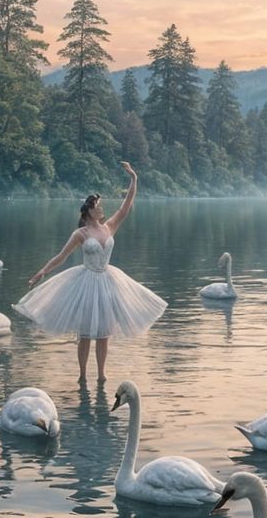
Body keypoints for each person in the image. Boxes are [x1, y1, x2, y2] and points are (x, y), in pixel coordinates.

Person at [17, 162, 165, 382]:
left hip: (108, 281)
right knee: (86, 334)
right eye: (98, 205)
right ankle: (83, 375)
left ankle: (102, 374)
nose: (102, 208)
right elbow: (61, 256)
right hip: (86, 282)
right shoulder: (81, 233)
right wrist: (42, 272)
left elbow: (126, 207)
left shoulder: (109, 226)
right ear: (88, 211)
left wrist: (134, 178)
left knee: (104, 333)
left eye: (101, 205)